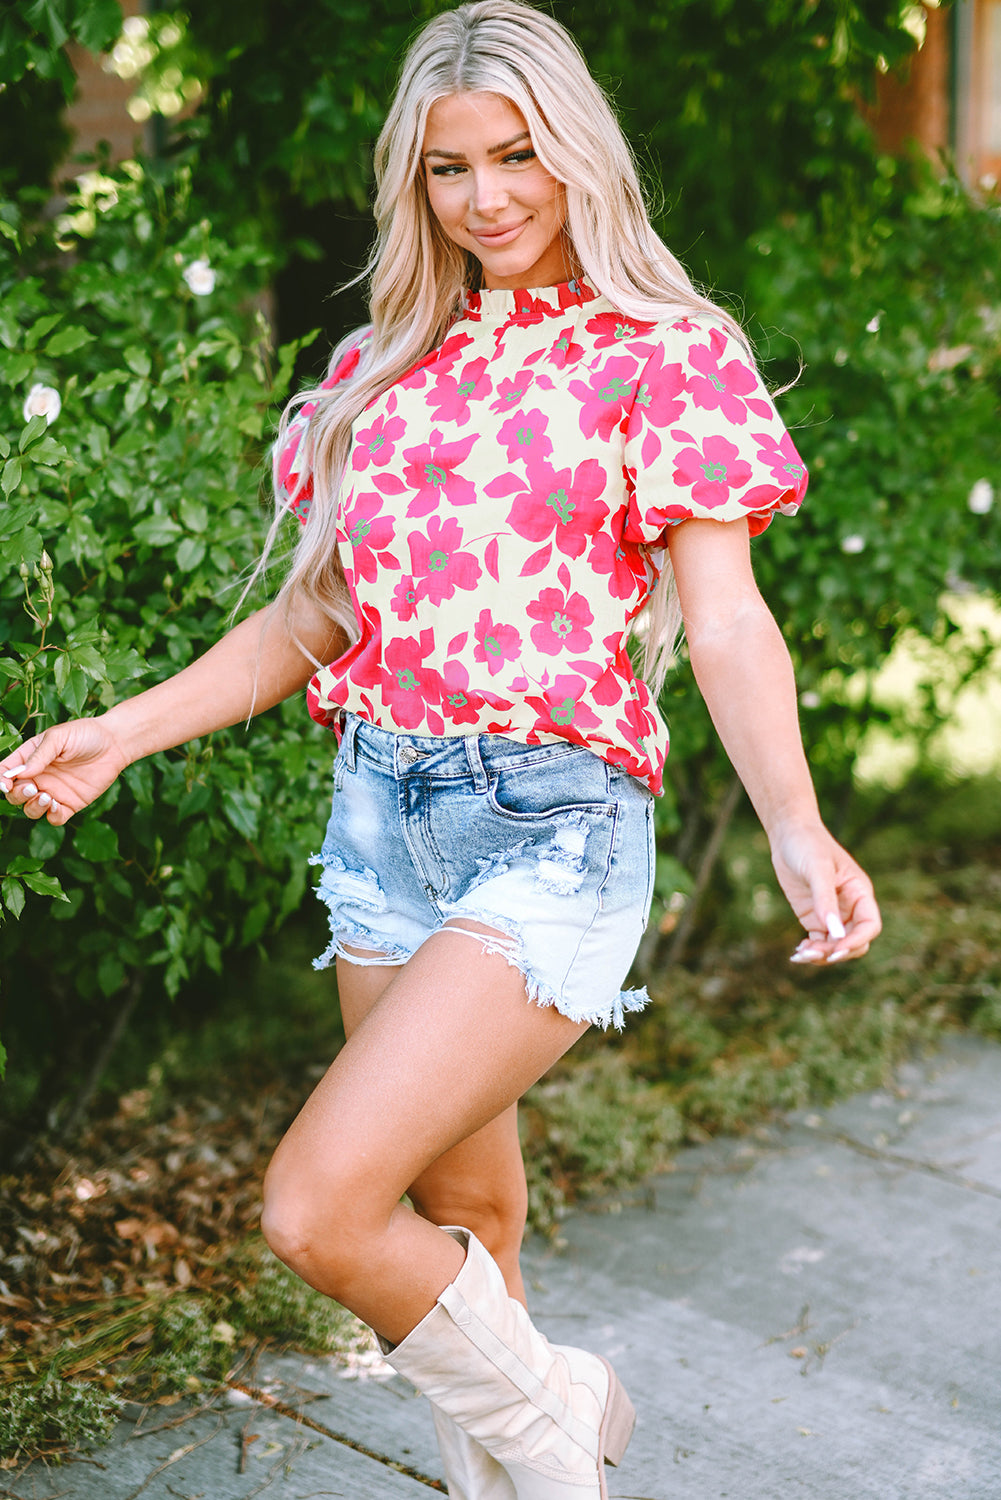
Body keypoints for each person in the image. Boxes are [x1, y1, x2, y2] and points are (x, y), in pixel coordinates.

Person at [0, 3, 881, 1495]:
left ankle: (559, 1419)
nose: (487, 198)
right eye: (448, 168)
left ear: (575, 152)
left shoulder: (661, 357)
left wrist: (794, 825)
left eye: (518, 155)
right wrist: (124, 733)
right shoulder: (377, 375)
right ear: (410, 186)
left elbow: (725, 624)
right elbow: (314, 623)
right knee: (469, 1228)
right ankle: (525, 1464)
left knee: (319, 1209)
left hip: (554, 826)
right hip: (381, 828)